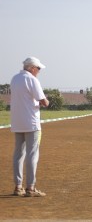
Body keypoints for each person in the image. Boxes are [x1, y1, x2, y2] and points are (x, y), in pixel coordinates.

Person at [10, 57, 49, 196]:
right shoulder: (32, 80)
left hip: (17, 122)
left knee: (18, 154)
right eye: (38, 69)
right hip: (31, 123)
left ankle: (18, 186)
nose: (39, 71)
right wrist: (47, 100)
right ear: (32, 68)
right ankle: (31, 188)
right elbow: (43, 101)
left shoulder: (14, 79)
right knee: (32, 155)